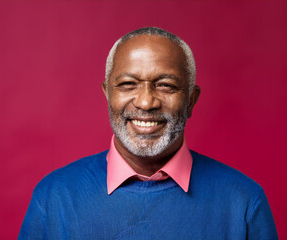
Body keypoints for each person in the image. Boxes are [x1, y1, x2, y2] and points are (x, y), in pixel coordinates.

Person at [18, 27, 278, 239]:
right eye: (128, 84)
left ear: (191, 101)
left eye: (166, 85)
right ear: (107, 94)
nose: (146, 102)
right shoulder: (53, 197)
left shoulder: (244, 201)